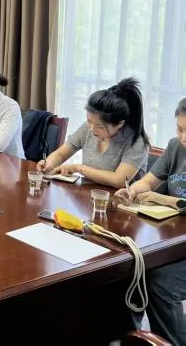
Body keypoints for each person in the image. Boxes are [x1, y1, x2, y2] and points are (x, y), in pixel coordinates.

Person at [114, 98, 186, 346]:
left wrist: (159, 198)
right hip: (175, 237)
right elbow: (150, 180)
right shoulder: (175, 146)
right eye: (179, 129)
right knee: (131, 267)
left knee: (161, 283)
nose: (183, 137)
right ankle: (127, 335)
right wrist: (133, 190)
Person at [39, 77, 148, 188]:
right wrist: (49, 164)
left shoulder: (136, 142)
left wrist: (79, 168)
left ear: (120, 123)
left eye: (100, 126)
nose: (92, 129)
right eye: (89, 121)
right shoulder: (87, 128)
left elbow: (119, 180)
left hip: (118, 197)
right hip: (87, 192)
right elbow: (61, 154)